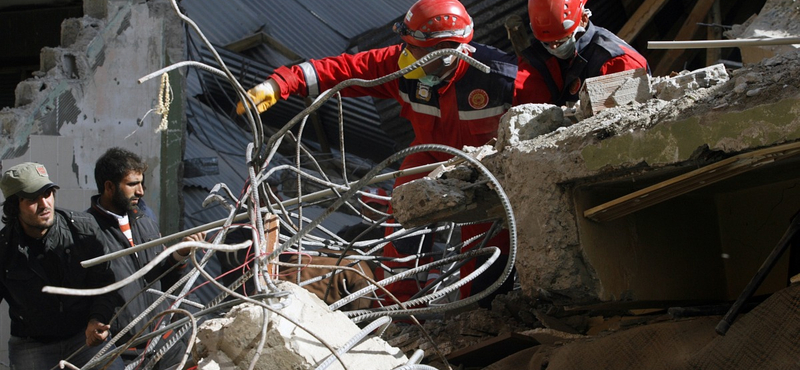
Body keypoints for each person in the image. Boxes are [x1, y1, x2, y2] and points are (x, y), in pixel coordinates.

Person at [237, 0, 536, 309]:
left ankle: (481, 315)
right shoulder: (405, 68)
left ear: (447, 52)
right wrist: (280, 84)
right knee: (404, 212)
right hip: (429, 158)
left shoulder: (503, 80)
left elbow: (545, 122)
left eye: (414, 47)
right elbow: (346, 69)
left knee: (485, 248)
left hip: (484, 172)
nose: (404, 53)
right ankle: (401, 309)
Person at [87, 148, 204, 369]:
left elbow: (162, 280)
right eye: (132, 184)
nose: (141, 191)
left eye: (141, 183)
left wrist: (181, 254)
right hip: (124, 350)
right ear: (109, 187)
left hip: (165, 339)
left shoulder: (145, 222)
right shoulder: (88, 231)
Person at [0, 162, 125, 369]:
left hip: (84, 336)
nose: (44, 204)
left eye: (48, 193)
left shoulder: (84, 231)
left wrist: (97, 319)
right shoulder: (4, 249)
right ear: (15, 206)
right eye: (32, 199)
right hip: (31, 343)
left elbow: (106, 283)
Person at [517, 0, 650, 106]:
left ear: (584, 19)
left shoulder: (615, 62)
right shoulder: (537, 60)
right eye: (547, 42)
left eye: (562, 40)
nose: (554, 47)